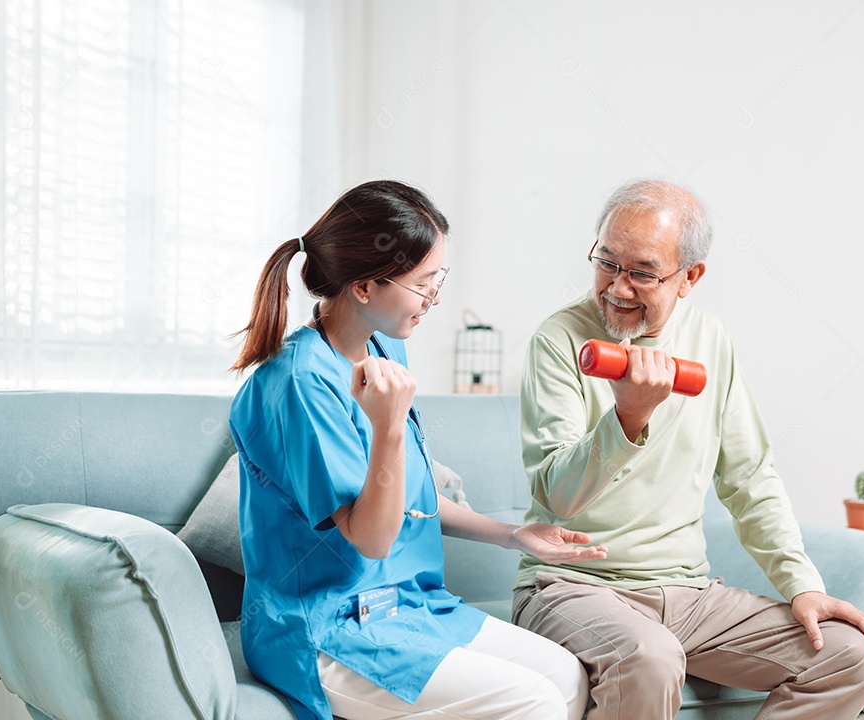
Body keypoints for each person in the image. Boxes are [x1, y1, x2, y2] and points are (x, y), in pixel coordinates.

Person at [228, 180, 608, 720]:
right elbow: (372, 538)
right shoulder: (297, 383)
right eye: (424, 283)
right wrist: (386, 429)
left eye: (439, 279)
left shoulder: (385, 345)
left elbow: (409, 500)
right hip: (325, 629)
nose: (434, 298)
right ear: (364, 287)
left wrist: (513, 535)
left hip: (407, 606)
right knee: (534, 703)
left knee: (567, 677)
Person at [512, 178, 864, 720]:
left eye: (642, 271)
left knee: (852, 656)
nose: (617, 287)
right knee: (651, 657)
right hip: (572, 585)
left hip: (686, 593)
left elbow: (750, 479)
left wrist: (802, 584)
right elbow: (558, 494)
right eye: (606, 261)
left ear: (690, 276)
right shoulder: (558, 338)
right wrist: (629, 414)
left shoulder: (712, 339)